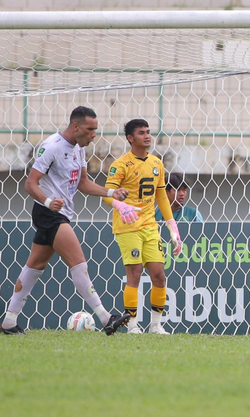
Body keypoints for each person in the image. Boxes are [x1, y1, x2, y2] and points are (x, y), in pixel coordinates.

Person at [0, 106, 131, 336]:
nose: (94, 135)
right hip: (48, 213)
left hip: (59, 213)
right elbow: (30, 184)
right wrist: (49, 201)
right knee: (79, 263)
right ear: (76, 126)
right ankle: (106, 318)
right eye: (90, 130)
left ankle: (9, 321)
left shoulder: (79, 149)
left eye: (95, 130)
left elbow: (83, 184)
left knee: (34, 267)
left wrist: (112, 193)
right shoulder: (51, 147)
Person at [103, 119, 182, 335]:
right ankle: (132, 325)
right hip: (127, 226)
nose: (147, 136)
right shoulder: (120, 165)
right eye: (141, 133)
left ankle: (156, 325)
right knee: (135, 274)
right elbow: (107, 193)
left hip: (149, 226)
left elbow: (162, 197)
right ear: (130, 138)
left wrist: (172, 226)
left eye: (148, 132)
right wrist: (120, 205)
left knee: (159, 275)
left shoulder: (157, 163)